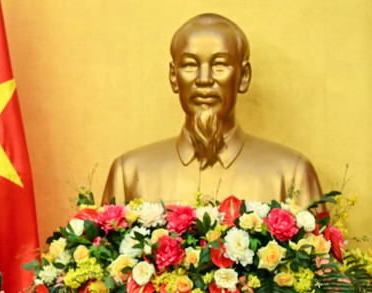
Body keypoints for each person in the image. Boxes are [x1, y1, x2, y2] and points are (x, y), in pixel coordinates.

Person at [103, 13, 322, 204]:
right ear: (173, 76)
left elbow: (315, 251)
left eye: (220, 64)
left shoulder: (291, 174)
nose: (204, 80)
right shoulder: (130, 174)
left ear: (243, 76)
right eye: (190, 65)